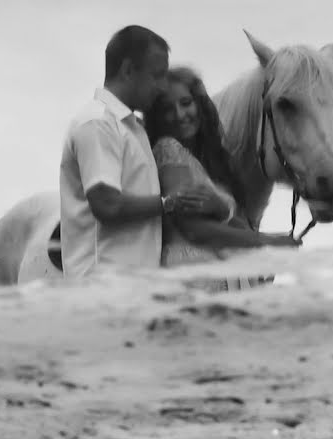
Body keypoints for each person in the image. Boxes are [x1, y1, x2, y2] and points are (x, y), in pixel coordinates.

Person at [59, 26, 231, 280]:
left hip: (132, 288)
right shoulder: (98, 122)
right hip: (101, 287)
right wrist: (170, 203)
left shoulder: (134, 129)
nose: (163, 87)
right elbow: (107, 204)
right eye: (157, 76)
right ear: (128, 70)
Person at [142, 66, 299, 290]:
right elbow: (193, 228)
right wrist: (267, 241)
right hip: (191, 274)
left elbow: (225, 222)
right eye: (167, 109)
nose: (179, 115)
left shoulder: (198, 162)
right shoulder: (168, 149)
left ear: (199, 103)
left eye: (185, 103)